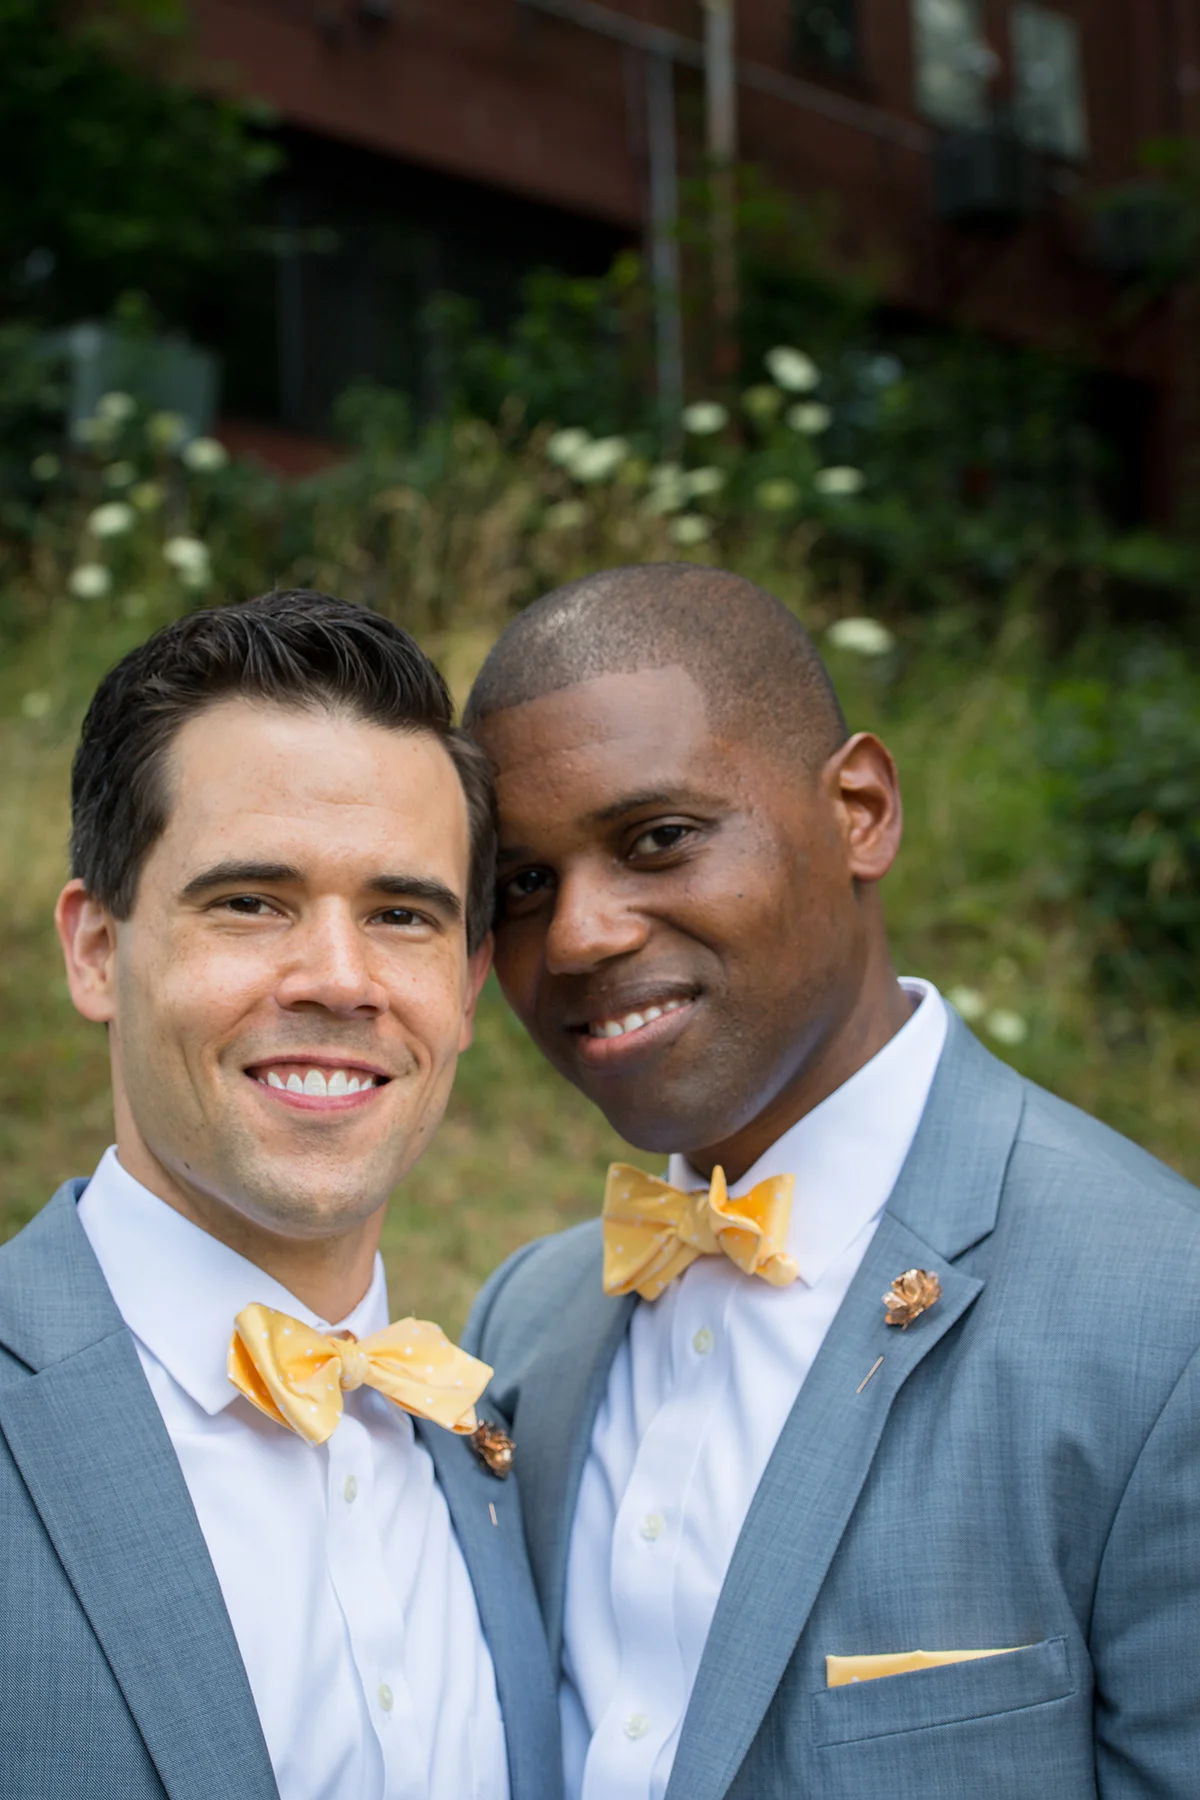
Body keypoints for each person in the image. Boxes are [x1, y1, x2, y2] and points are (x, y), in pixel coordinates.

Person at [462, 561, 1200, 1800]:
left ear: (859, 809)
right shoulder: (522, 1327)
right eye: (523, 886)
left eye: (659, 838)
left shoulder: (1163, 1318)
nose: (580, 933)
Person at [0, 591, 560, 1800]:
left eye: (402, 915)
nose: (341, 979)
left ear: (467, 989)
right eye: (251, 901)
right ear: (98, 949)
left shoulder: (492, 1446)